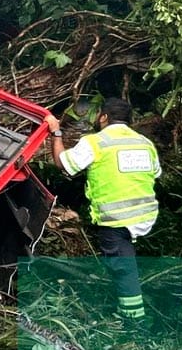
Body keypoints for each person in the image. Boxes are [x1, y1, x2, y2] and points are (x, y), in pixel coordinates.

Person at [44, 98, 161, 322]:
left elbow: (63, 164)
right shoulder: (145, 143)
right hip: (145, 216)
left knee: (123, 268)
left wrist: (56, 132)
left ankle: (132, 320)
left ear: (104, 117)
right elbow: (154, 173)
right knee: (124, 260)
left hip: (117, 218)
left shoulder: (96, 142)